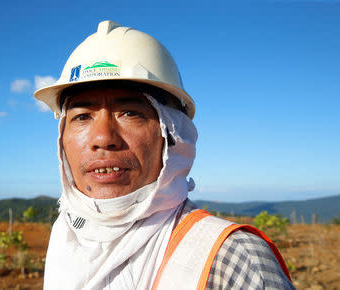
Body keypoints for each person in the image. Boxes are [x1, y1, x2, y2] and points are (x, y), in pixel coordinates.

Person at [35, 20, 295, 290]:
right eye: (82, 116)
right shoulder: (65, 237)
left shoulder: (235, 260)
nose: (103, 138)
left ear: (172, 135)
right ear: (62, 139)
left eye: (130, 113)